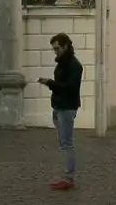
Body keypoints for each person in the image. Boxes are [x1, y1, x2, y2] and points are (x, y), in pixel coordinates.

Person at [36, 33, 83, 191]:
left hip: (67, 108)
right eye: (53, 48)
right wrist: (51, 84)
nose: (55, 51)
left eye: (57, 48)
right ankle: (68, 176)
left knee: (67, 143)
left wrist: (50, 83)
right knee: (64, 143)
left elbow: (70, 88)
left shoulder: (74, 65)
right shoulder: (63, 63)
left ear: (65, 46)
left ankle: (69, 177)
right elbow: (61, 85)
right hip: (59, 107)